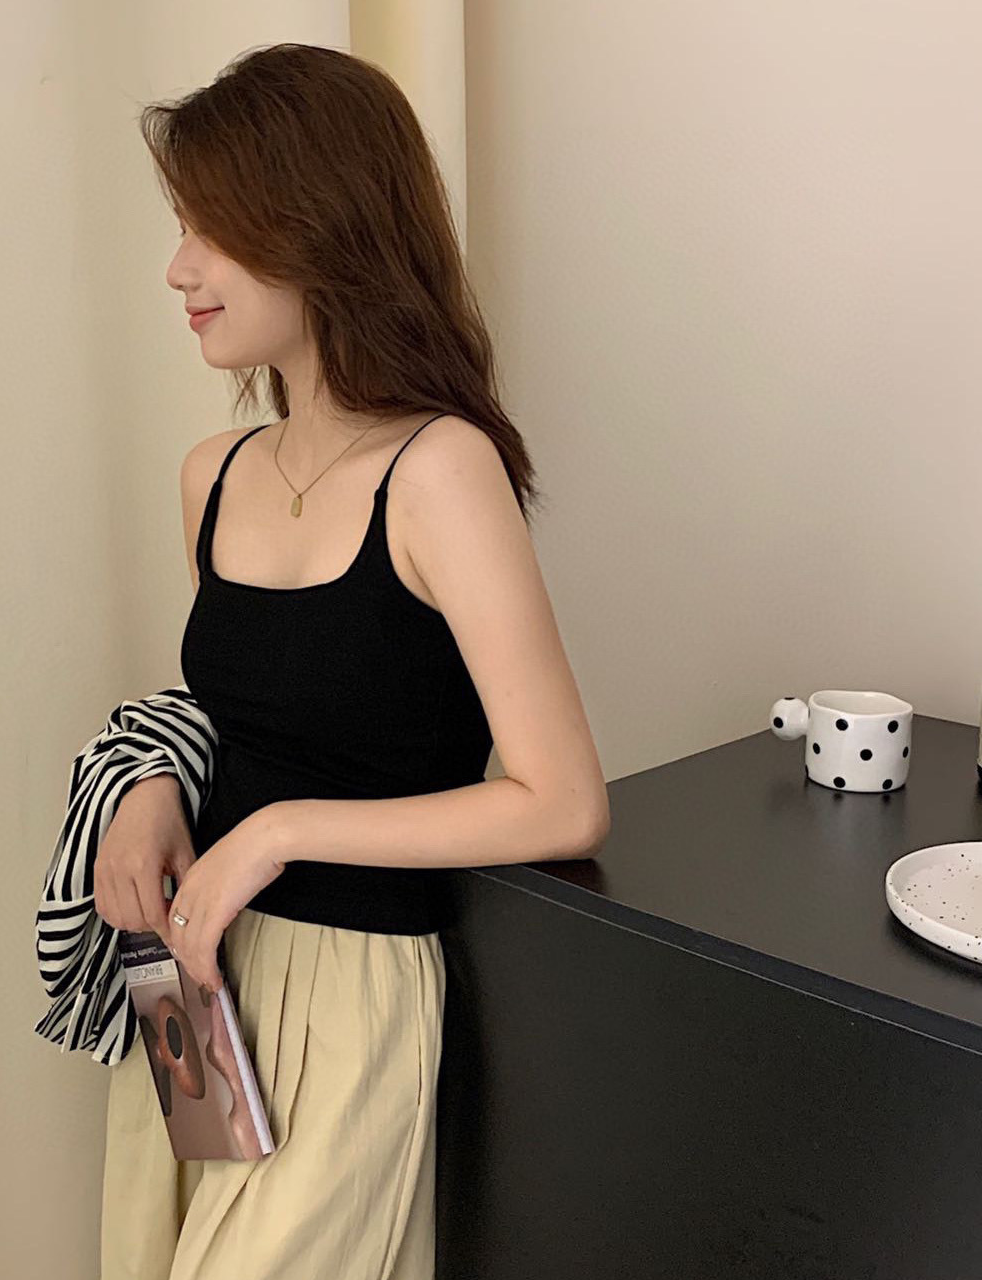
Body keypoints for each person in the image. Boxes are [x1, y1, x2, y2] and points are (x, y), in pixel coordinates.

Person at [95, 41, 610, 1280]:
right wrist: (152, 785)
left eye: (209, 228)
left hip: (351, 984)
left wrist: (276, 833)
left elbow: (560, 798)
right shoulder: (212, 475)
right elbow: (242, 714)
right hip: (190, 974)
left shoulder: (439, 471)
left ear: (315, 224)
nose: (178, 268)